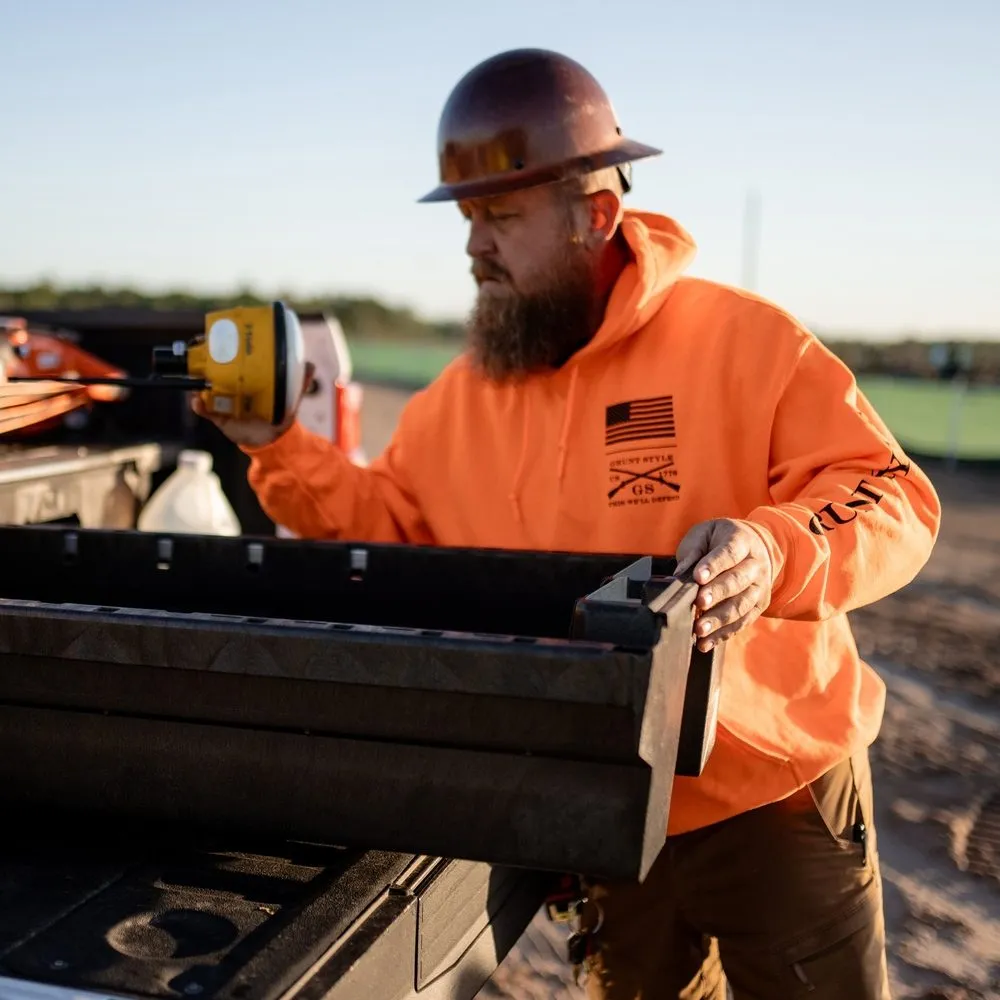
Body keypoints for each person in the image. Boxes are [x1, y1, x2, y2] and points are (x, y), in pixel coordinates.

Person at [196, 48, 941, 1000]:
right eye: (468, 220)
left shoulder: (743, 342)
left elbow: (891, 491)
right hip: (602, 803)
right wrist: (279, 445)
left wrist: (770, 549)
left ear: (595, 214)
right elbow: (385, 531)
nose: (475, 248)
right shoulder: (459, 400)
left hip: (774, 793)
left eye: (501, 216)